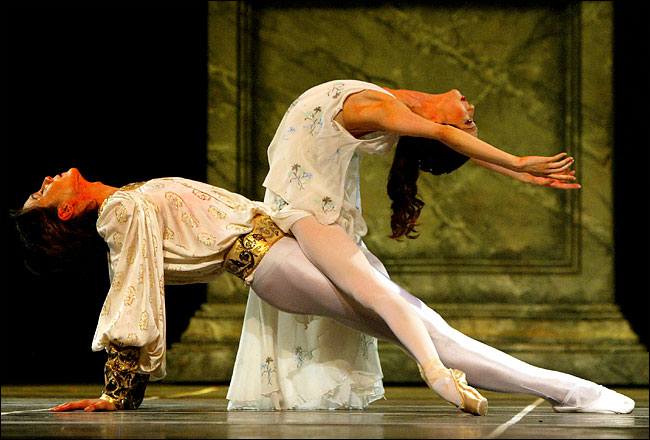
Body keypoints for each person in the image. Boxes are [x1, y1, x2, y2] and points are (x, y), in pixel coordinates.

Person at [13, 168, 634, 415]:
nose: (45, 180)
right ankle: (564, 389)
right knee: (421, 330)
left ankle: (561, 388)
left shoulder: (125, 199)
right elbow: (133, 291)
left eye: (39, 186)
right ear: (65, 215)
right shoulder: (117, 214)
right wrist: (119, 392)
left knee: (417, 320)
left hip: (285, 245)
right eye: (41, 194)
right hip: (272, 263)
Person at [231, 79, 584, 412]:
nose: (470, 106)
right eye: (471, 120)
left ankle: (555, 388)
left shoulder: (387, 108)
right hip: (306, 214)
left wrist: (517, 167)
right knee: (405, 314)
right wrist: (515, 165)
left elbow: (444, 135)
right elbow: (444, 134)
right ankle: (449, 376)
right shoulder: (394, 106)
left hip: (313, 215)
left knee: (410, 317)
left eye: (468, 119)